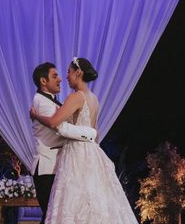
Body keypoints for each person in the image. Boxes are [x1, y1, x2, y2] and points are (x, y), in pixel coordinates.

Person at [29, 57, 137, 223]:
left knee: (73, 204)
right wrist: (92, 133)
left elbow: (56, 124)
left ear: (78, 72)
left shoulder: (75, 97)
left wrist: (35, 116)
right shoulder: (94, 98)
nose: (65, 77)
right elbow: (97, 134)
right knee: (93, 202)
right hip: (92, 154)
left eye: (68, 72)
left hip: (76, 155)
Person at [30, 62, 65, 224]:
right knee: (51, 216)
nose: (60, 79)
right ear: (43, 81)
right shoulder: (41, 101)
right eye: (54, 76)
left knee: (54, 216)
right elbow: (58, 126)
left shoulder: (51, 100)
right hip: (47, 167)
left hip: (54, 166)